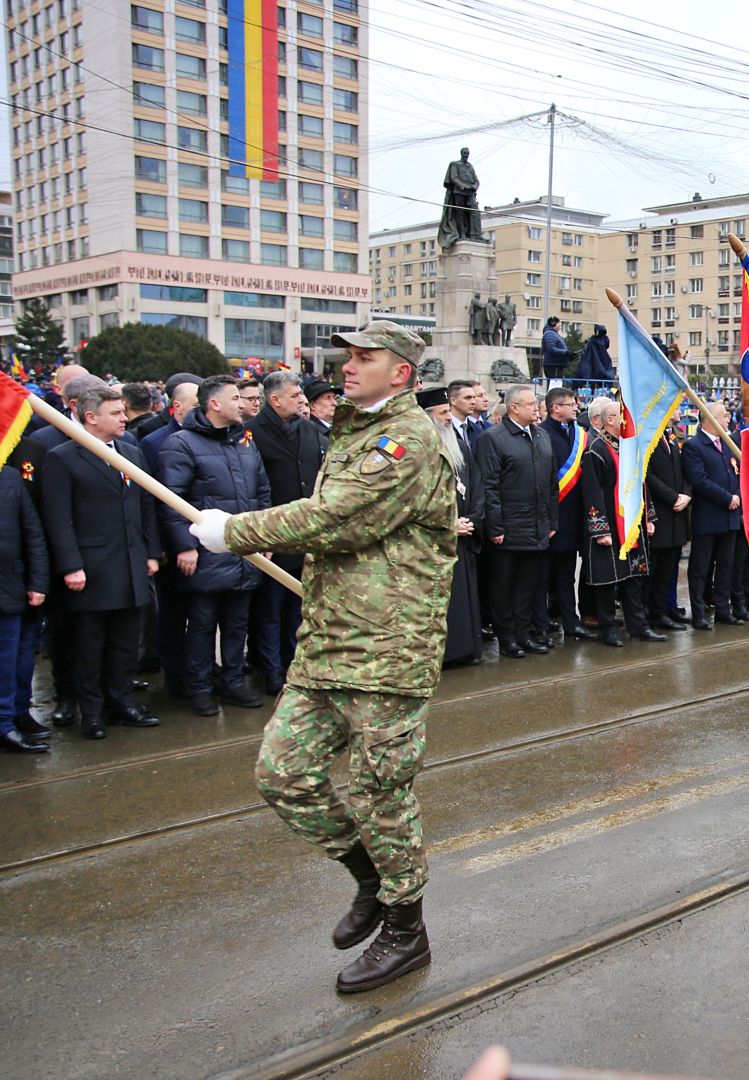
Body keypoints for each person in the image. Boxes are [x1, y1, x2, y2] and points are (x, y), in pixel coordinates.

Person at [188, 320, 457, 993]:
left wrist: (234, 531)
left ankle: (406, 928)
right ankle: (371, 877)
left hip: (389, 650)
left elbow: (335, 518)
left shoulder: (406, 441)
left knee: (378, 792)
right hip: (331, 642)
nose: (349, 366)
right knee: (283, 774)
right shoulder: (355, 430)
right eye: (348, 356)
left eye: (366, 358)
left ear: (401, 372)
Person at [41, 385, 163, 740]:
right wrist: (71, 565)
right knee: (89, 646)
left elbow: (145, 506)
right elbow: (58, 519)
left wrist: (151, 552)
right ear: (90, 417)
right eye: (115, 413)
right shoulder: (63, 457)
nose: (125, 418)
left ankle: (121, 701)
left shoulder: (130, 453)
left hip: (130, 564)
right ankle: (91, 712)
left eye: (124, 412)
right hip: (91, 570)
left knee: (126, 642)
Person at [160, 375, 273, 716]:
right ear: (214, 404)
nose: (243, 404)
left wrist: (265, 535)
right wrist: (185, 546)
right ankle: (200, 687)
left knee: (237, 623)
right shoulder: (181, 443)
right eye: (235, 397)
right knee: (203, 624)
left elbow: (262, 492)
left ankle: (233, 682)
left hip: (243, 551)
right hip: (206, 553)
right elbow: (170, 500)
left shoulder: (245, 441)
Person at [245, 371, 322, 694]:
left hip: (305, 532)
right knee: (269, 610)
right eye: (296, 396)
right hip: (273, 533)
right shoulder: (251, 433)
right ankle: (271, 670)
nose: (303, 400)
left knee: (299, 606)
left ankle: (295, 664)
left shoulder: (309, 430)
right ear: (274, 400)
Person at [474, 385, 558, 658]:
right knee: (503, 587)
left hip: (537, 526)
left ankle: (524, 635)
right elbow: (489, 486)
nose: (537, 408)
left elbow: (551, 484)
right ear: (514, 408)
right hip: (508, 528)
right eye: (532, 404)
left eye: (537, 404)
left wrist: (551, 521)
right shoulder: (493, 438)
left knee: (527, 586)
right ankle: (507, 637)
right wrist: (495, 527)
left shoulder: (541, 435)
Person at [578, 397, 662, 646]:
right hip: (610, 526)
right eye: (622, 414)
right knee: (609, 580)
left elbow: (641, 485)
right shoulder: (595, 449)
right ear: (610, 420)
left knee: (633, 579)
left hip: (632, 523)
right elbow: (592, 492)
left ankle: (638, 626)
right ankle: (608, 628)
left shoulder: (629, 447)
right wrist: (599, 529)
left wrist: (650, 516)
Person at [420, 386, 484, 667]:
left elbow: (476, 481)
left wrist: (472, 518)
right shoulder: (421, 449)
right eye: (443, 412)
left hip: (465, 530)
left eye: (448, 411)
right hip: (437, 537)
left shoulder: (455, 441)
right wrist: (449, 523)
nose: (448, 417)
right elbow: (419, 497)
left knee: (465, 597)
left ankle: (466, 648)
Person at [537, 386, 595, 642]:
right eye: (570, 404)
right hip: (550, 517)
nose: (576, 407)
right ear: (555, 408)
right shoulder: (541, 434)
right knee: (541, 577)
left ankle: (571, 623)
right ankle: (540, 626)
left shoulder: (578, 433)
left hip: (573, 516)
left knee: (566, 575)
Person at [0, 459, 49, 752]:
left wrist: (38, 583)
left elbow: (32, 533)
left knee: (17, 658)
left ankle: (15, 715)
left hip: (13, 587)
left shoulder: (9, 477)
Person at [683, 405, 744, 629]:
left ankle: (723, 610)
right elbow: (699, 480)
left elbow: (736, 474)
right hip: (708, 517)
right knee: (700, 568)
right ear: (710, 419)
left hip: (730, 516)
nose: (728, 419)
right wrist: (727, 498)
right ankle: (698, 613)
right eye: (724, 416)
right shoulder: (694, 446)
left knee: (726, 566)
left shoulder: (727, 445)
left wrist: (736, 495)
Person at [644, 417, 691, 631]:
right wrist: (673, 497)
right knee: (653, 569)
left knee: (668, 567)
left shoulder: (670, 434)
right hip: (660, 511)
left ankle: (662, 610)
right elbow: (648, 476)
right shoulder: (647, 434)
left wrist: (686, 495)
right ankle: (649, 613)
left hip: (676, 513)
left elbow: (681, 471)